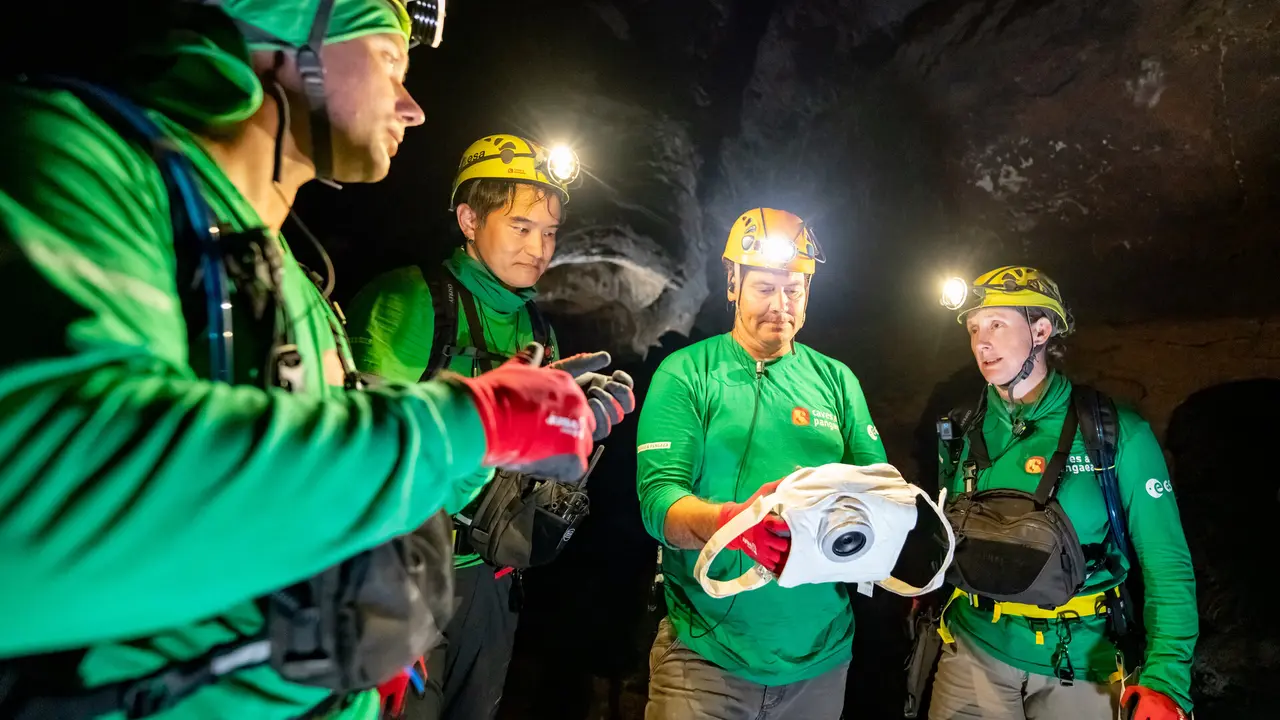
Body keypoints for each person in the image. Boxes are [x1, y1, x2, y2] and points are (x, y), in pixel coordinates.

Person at [0, 3, 598, 719]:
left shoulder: (294, 279)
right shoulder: (77, 158)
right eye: (389, 62)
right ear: (286, 39)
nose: (411, 107)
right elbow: (47, 500)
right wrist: (475, 418)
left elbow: (334, 494)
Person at [344, 133, 636, 720]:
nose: (540, 248)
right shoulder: (410, 301)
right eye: (522, 227)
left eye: (550, 232)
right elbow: (367, 447)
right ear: (469, 219)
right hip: (398, 567)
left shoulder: (536, 324)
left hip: (491, 577)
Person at [635, 208, 887, 719]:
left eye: (794, 289)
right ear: (733, 282)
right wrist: (730, 523)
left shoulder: (837, 381)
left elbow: (877, 492)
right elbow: (658, 500)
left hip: (821, 658)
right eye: (765, 288)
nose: (781, 305)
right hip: (706, 658)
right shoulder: (687, 372)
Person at [929, 266, 1197, 720]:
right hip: (973, 649)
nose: (981, 342)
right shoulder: (959, 427)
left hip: (1080, 662)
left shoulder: (1116, 433)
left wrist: (1166, 680)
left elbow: (1166, 563)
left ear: (1040, 330)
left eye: (997, 324)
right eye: (974, 328)